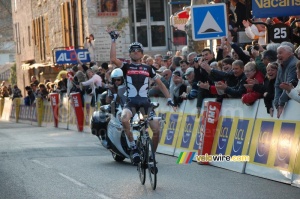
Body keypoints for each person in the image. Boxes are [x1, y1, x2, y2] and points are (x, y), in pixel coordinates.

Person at [108, 30, 175, 167]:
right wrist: (113, 40)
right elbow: (113, 59)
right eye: (133, 50)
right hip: (131, 103)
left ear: (142, 53)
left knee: (156, 130)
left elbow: (161, 84)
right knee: (124, 119)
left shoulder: (148, 68)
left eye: (138, 50)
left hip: (145, 104)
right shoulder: (126, 66)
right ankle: (133, 147)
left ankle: (152, 156)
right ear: (130, 53)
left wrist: (169, 99)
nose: (136, 52)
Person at [274, 45, 298, 118]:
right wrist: (276, 103)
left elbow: (288, 85)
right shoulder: (280, 65)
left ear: (290, 53)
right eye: (277, 53)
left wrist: (281, 103)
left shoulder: (294, 64)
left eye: (280, 53)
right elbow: (277, 85)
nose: (278, 56)